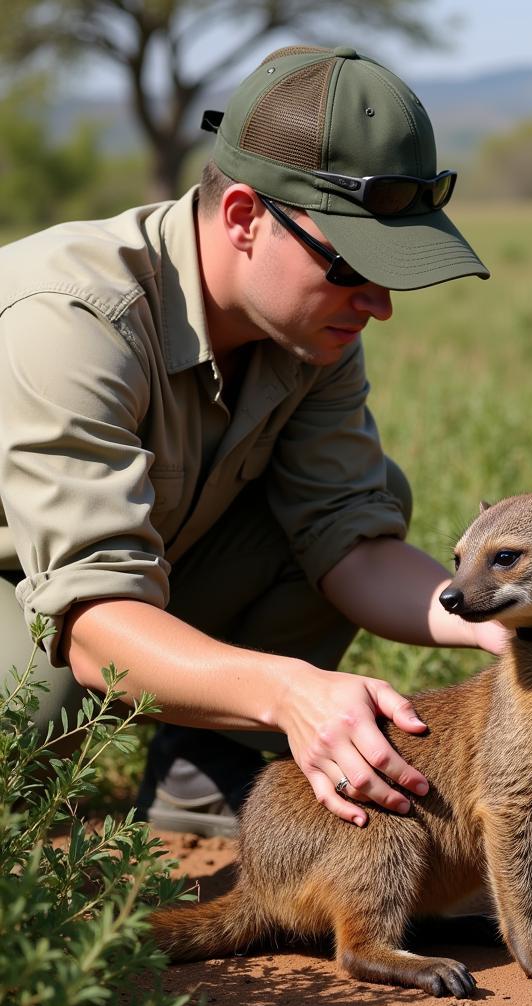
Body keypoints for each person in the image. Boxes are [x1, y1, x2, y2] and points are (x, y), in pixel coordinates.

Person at [0, 45, 502, 838]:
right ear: (242, 217)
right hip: (42, 597)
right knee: (34, 727)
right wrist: (288, 693)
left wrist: (504, 617)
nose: (377, 303)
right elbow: (94, 623)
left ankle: (206, 770)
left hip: (119, 583)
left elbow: (349, 544)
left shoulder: (308, 327)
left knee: (376, 500)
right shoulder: (75, 319)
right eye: (351, 265)